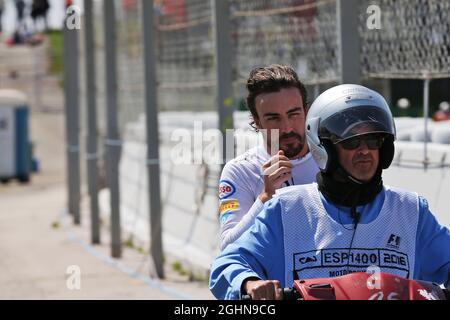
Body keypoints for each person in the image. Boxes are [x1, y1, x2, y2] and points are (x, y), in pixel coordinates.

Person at [209, 84, 450, 300]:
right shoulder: (286, 209)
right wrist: (250, 284)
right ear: (325, 148)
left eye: (374, 141)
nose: (365, 151)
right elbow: (228, 263)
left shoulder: (411, 211)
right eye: (351, 142)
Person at [218, 64, 319, 250]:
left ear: (306, 111)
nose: (287, 128)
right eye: (274, 118)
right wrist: (266, 197)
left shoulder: (333, 158)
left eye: (294, 114)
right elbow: (228, 246)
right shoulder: (240, 170)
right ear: (257, 121)